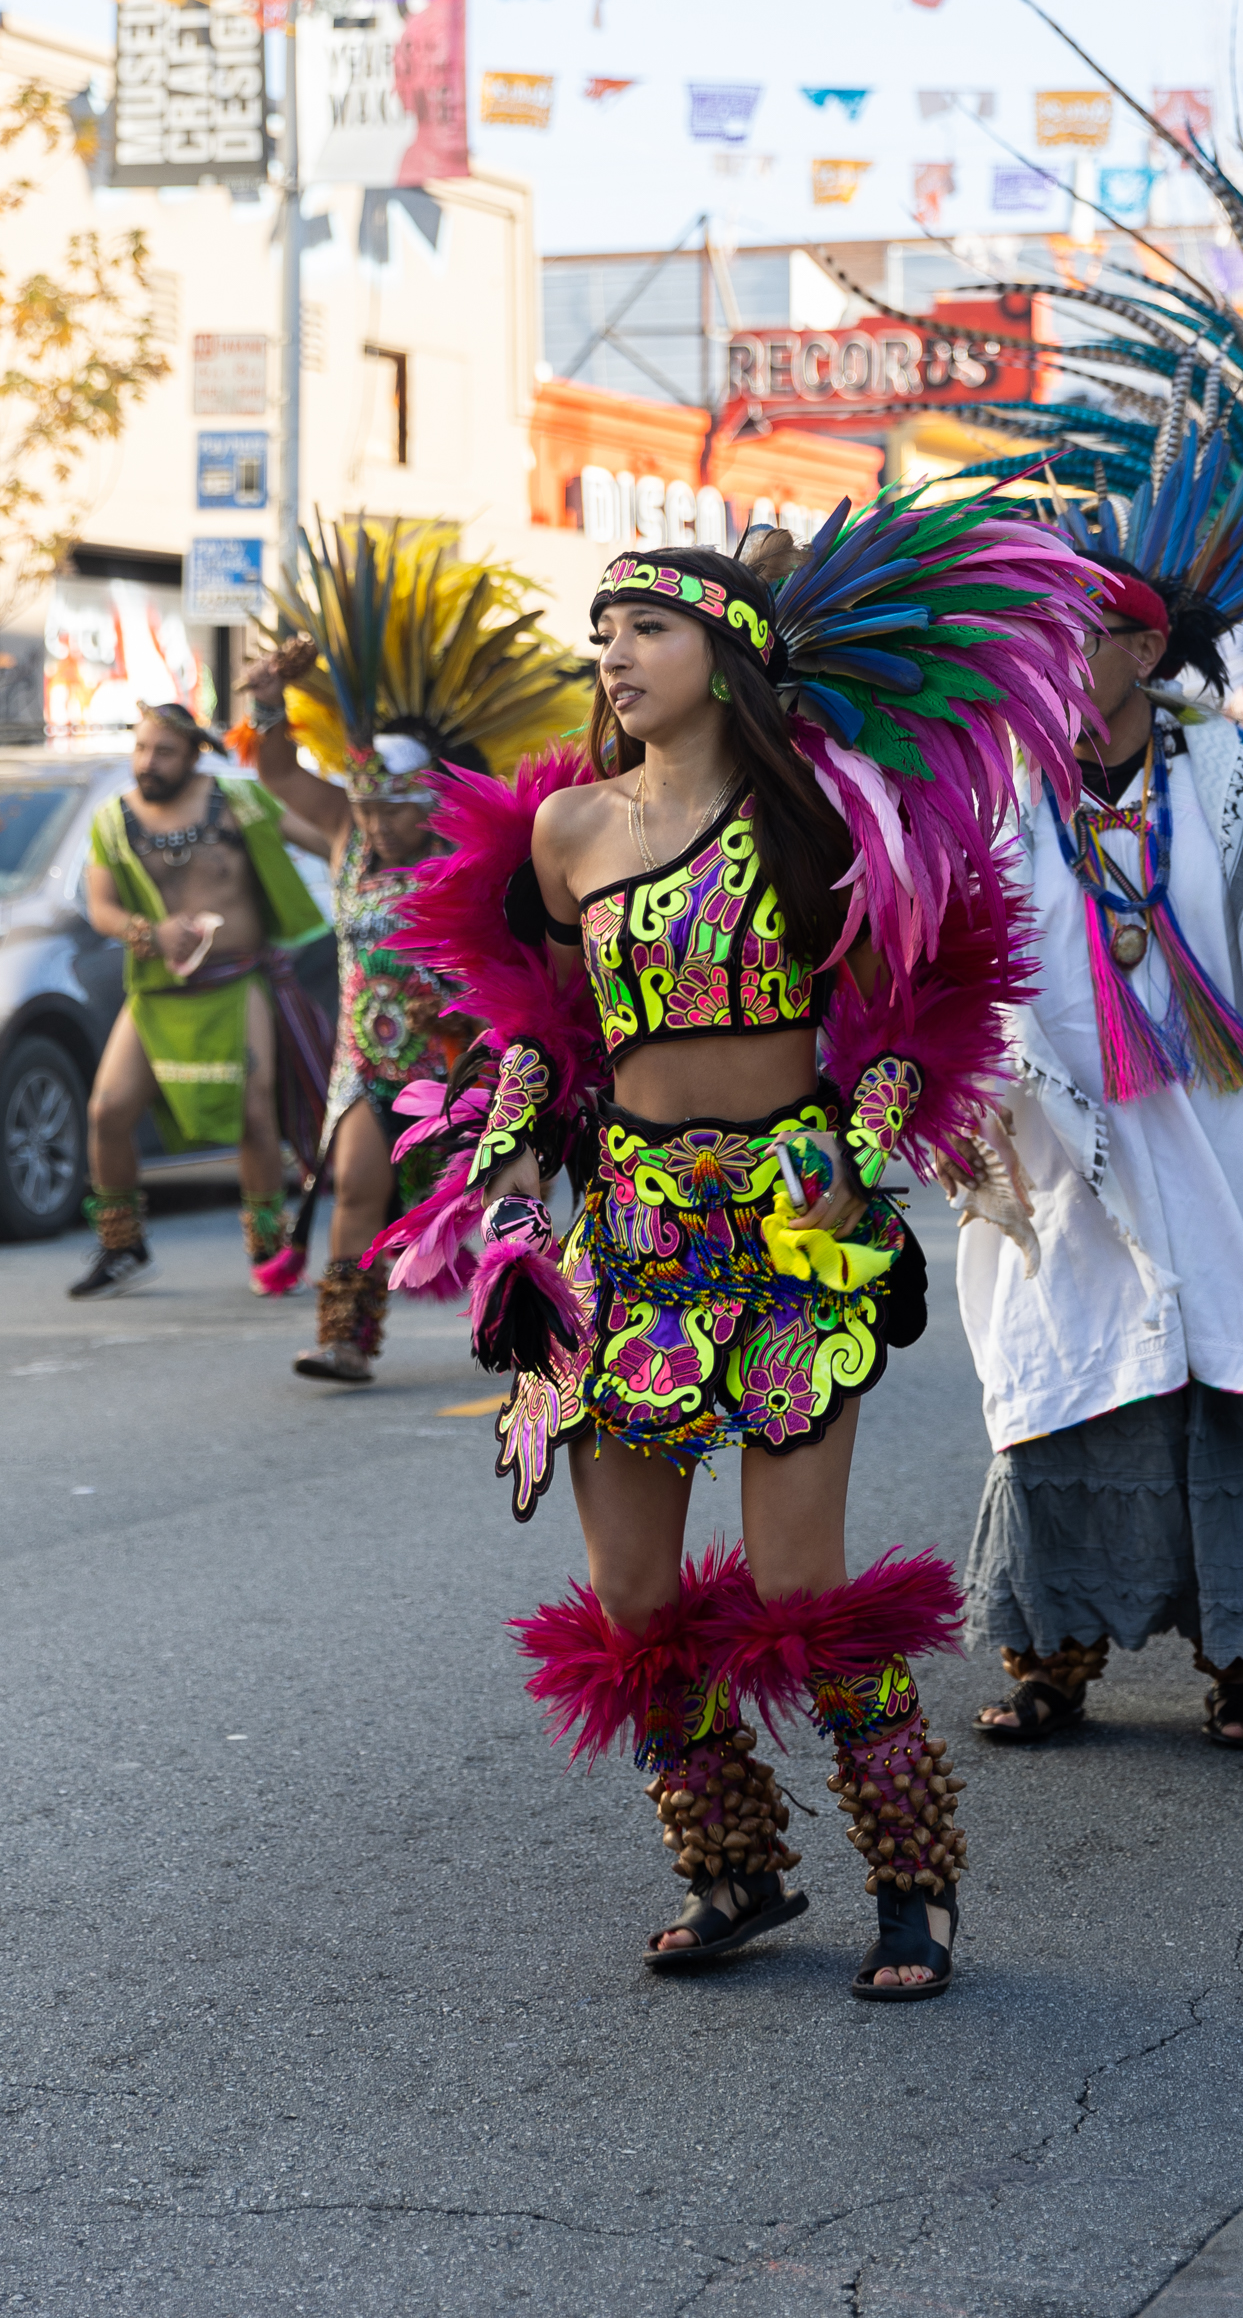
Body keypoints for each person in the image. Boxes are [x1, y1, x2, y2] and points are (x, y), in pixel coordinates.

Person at [371, 503, 1096, 2001]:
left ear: (730, 655)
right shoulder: (567, 830)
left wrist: (865, 1133)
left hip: (786, 1236)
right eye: (603, 633)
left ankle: (916, 1884)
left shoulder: (821, 819)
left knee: (798, 1582)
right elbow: (545, 1037)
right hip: (626, 1242)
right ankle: (737, 1867)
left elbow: (928, 993)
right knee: (634, 1598)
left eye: (648, 628)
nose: (614, 654)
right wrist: (510, 1189)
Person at [954, 557, 1243, 1752]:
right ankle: (1050, 1659)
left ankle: (1239, 1661)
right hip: (1051, 1139)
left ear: (1144, 655)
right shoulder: (996, 785)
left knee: (1227, 1373)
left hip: (1204, 1131)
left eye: (1074, 637)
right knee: (1059, 1387)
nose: (1044, 658)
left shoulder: (1226, 777)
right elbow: (942, 947)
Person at [237, 518, 582, 1382]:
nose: (379, 820)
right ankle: (346, 1338)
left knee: (503, 1189)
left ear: (427, 796)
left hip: (463, 1056)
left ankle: (546, 1316)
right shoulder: (346, 835)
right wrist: (266, 698)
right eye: (369, 802)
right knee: (355, 1185)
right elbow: (277, 773)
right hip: (368, 1056)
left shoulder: (474, 845)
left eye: (395, 805)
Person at [74, 701, 331, 1299]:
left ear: (194, 752)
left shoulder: (238, 804)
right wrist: (149, 932)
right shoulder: (113, 820)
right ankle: (121, 1243)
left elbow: (325, 838)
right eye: (141, 749)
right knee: (107, 1110)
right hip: (160, 990)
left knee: (252, 1114)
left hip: (236, 981)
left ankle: (268, 1249)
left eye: (163, 751)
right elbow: (101, 905)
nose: (147, 762)